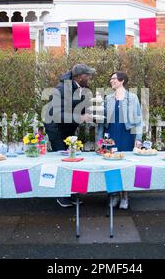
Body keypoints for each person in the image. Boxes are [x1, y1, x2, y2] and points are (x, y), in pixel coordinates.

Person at [44, 64, 95, 208]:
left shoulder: (80, 88)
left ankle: (71, 193)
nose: (90, 77)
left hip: (68, 130)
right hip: (56, 130)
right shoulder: (61, 89)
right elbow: (57, 114)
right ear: (79, 77)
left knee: (72, 160)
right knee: (62, 162)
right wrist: (80, 117)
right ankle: (62, 195)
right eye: (88, 75)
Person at [97, 71, 143, 209]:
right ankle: (113, 195)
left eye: (114, 79)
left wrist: (138, 138)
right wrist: (99, 140)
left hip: (126, 135)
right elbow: (101, 121)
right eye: (111, 79)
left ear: (122, 81)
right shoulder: (108, 98)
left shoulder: (133, 98)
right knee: (111, 166)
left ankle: (124, 196)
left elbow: (139, 119)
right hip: (110, 135)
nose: (111, 81)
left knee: (125, 165)